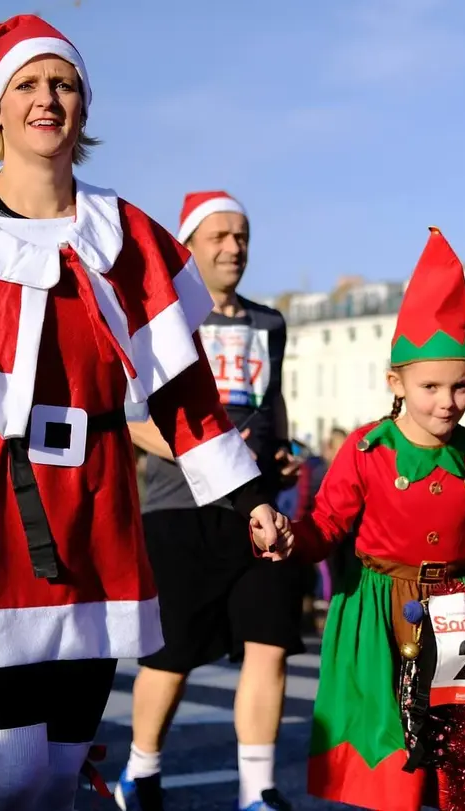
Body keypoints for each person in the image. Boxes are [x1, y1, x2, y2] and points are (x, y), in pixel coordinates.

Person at [0, 15, 283, 811]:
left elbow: (183, 391)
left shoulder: (127, 234)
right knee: (5, 771)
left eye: (65, 84)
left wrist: (248, 496)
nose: (49, 99)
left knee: (59, 769)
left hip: (96, 516)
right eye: (29, 84)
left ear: (84, 105)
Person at [278, 227, 465, 811]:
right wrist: (288, 540)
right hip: (375, 614)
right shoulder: (367, 449)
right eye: (430, 387)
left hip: (456, 614)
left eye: (461, 386)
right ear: (396, 383)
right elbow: (326, 526)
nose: (447, 401)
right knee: (391, 758)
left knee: (460, 758)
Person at [117, 190, 302, 811]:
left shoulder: (269, 323)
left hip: (260, 510)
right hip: (178, 507)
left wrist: (283, 450)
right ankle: (140, 772)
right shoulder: (162, 319)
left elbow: (272, 404)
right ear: (188, 246)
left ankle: (257, 791)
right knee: (172, 657)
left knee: (268, 642)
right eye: (219, 236)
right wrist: (203, 454)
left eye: (242, 235)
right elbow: (129, 419)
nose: (234, 247)